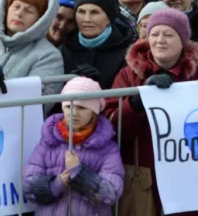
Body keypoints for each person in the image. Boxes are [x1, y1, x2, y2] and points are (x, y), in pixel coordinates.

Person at [103, 9, 198, 215]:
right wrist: (136, 103)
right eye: (154, 34)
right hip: (141, 175)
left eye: (169, 34)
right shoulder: (128, 76)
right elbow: (110, 128)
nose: (160, 40)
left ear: (183, 41)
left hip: (186, 175)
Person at [23, 76, 124, 216]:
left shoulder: (108, 148)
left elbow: (110, 194)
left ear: (94, 111)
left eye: (81, 107)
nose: (74, 113)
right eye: (68, 106)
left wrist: (79, 173)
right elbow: (28, 188)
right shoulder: (48, 141)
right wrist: (57, 183)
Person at [0, 0, 66, 94]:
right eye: (16, 6)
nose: (19, 13)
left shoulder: (49, 56)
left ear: (40, 19)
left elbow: (40, 99)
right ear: (6, 8)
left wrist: (3, 82)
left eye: (29, 11)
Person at [59, 0, 136, 88]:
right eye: (81, 12)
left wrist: (100, 84)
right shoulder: (63, 50)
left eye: (94, 12)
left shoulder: (127, 53)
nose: (87, 19)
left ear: (109, 18)